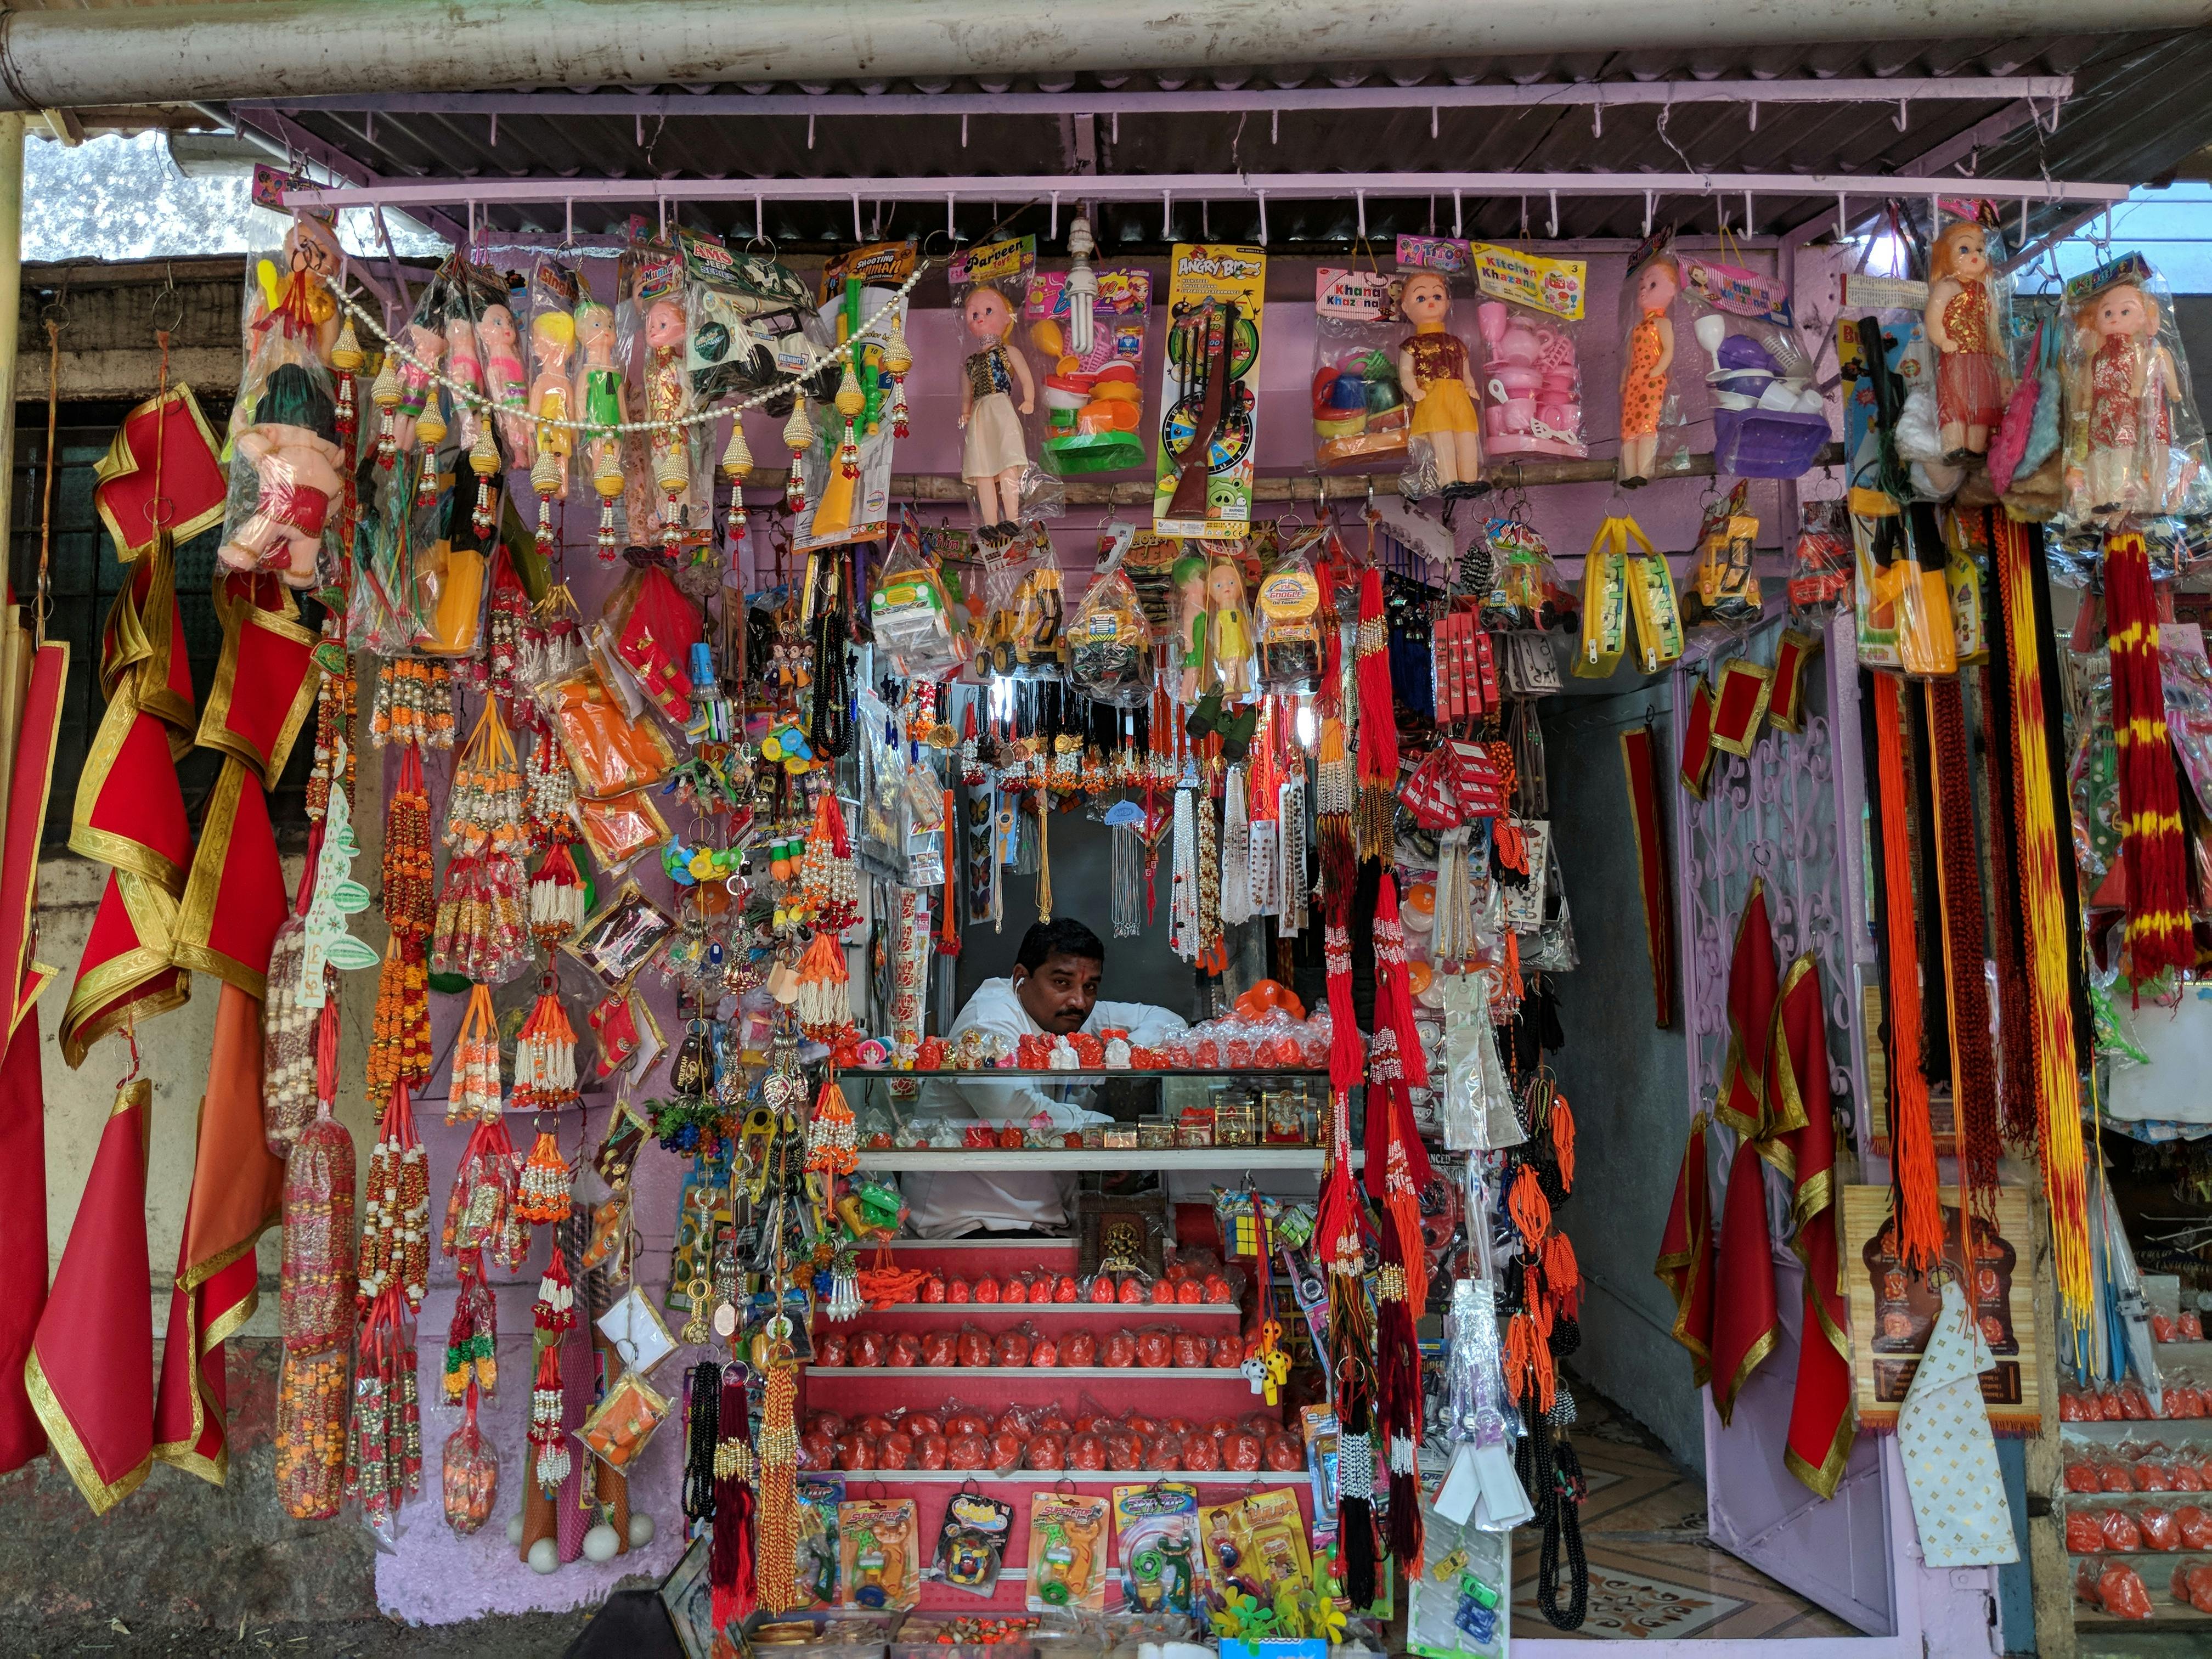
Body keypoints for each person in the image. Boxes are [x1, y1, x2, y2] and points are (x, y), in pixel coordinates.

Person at [907, 918, 1188, 1236]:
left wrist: (1123, 1051)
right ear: (1021, 978)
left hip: (1040, 1218)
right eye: (1062, 982)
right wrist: (1107, 1133)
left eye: (1090, 987)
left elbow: (1168, 1021)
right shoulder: (988, 1024)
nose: (1079, 1001)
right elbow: (1015, 1111)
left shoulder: (1070, 1011)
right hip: (970, 1222)